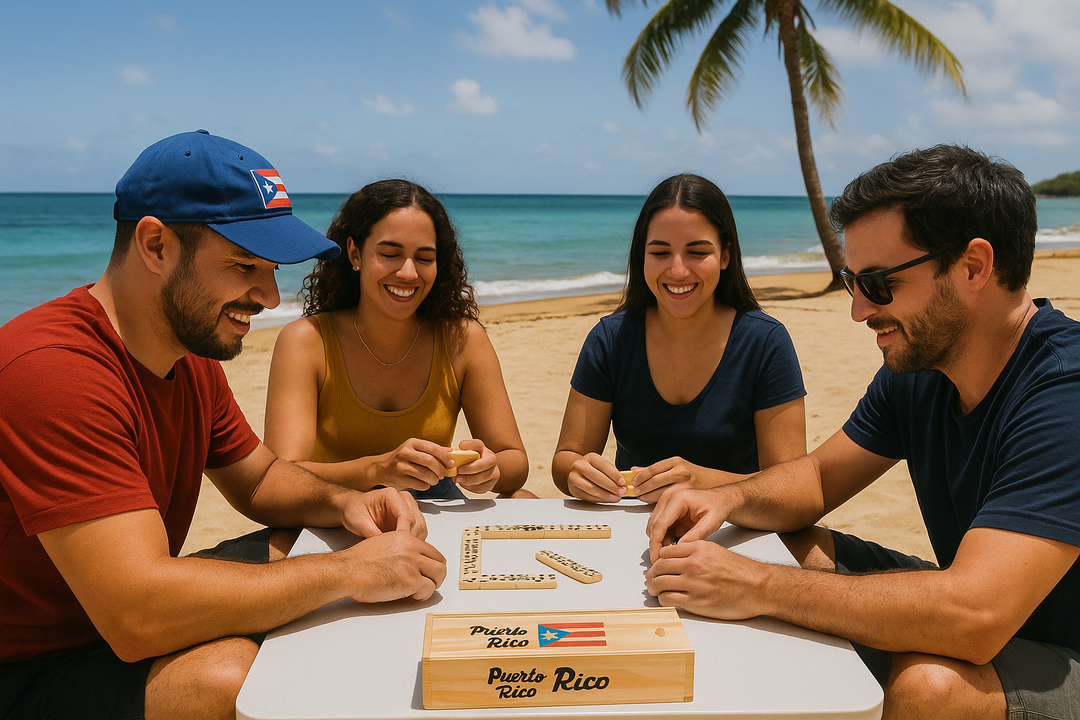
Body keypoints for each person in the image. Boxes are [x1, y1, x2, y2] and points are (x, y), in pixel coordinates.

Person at [0, 130, 447, 720]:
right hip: (32, 666)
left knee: (305, 540)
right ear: (155, 245)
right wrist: (345, 573)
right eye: (243, 266)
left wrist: (346, 503)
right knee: (228, 680)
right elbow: (137, 616)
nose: (268, 295)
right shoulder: (51, 368)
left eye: (271, 269)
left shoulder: (186, 355)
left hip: (117, 620)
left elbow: (261, 483)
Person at [645, 146, 1080, 719]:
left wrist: (755, 586)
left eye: (877, 283)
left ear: (974, 266)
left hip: (1054, 644)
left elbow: (976, 616)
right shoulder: (923, 368)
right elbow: (820, 479)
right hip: (989, 605)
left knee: (933, 686)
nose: (858, 310)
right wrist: (726, 499)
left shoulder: (1063, 391)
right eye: (853, 280)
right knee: (781, 543)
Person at [264, 179, 529, 499]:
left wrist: (490, 468)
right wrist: (379, 469)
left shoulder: (462, 339)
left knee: (525, 498)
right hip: (335, 511)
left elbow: (514, 460)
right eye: (390, 253)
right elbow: (282, 475)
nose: (408, 272)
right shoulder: (307, 341)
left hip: (435, 508)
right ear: (354, 253)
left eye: (424, 258)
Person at [552, 173, 807, 504]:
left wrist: (700, 481)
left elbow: (791, 488)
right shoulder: (610, 340)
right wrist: (577, 473)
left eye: (697, 252)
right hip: (632, 534)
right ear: (640, 255)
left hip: (736, 535)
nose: (677, 271)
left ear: (726, 256)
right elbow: (566, 458)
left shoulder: (765, 343)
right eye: (660, 253)